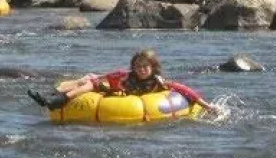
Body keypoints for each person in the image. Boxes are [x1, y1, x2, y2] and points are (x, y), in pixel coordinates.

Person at [29, 48, 214, 112]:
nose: (141, 70)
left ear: (153, 67)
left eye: (145, 67)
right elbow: (105, 77)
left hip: (128, 99)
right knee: (90, 82)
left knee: (91, 82)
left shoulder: (159, 82)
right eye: (138, 66)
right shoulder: (126, 75)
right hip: (114, 91)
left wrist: (207, 106)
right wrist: (93, 78)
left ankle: (55, 98)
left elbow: (183, 90)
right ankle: (54, 98)